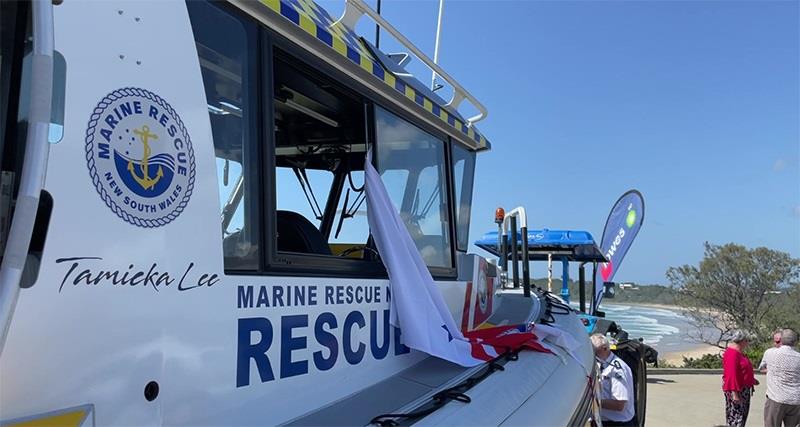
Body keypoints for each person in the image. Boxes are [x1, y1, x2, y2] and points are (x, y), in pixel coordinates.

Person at [591, 333, 636, 426]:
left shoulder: (617, 370)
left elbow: (619, 405)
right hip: (604, 420)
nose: (593, 355)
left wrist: (593, 403)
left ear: (605, 348)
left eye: (595, 351)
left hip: (617, 423)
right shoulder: (601, 363)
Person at [761, 328, 800, 427]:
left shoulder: (770, 353)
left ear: (781, 340)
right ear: (795, 342)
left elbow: (762, 367)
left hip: (776, 398)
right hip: (796, 400)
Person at [722, 330, 757, 427]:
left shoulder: (738, 353)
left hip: (743, 389)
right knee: (736, 417)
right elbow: (731, 375)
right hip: (737, 390)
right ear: (742, 341)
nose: (748, 343)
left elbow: (742, 370)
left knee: (741, 416)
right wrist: (735, 393)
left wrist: (751, 380)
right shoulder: (732, 354)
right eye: (747, 341)